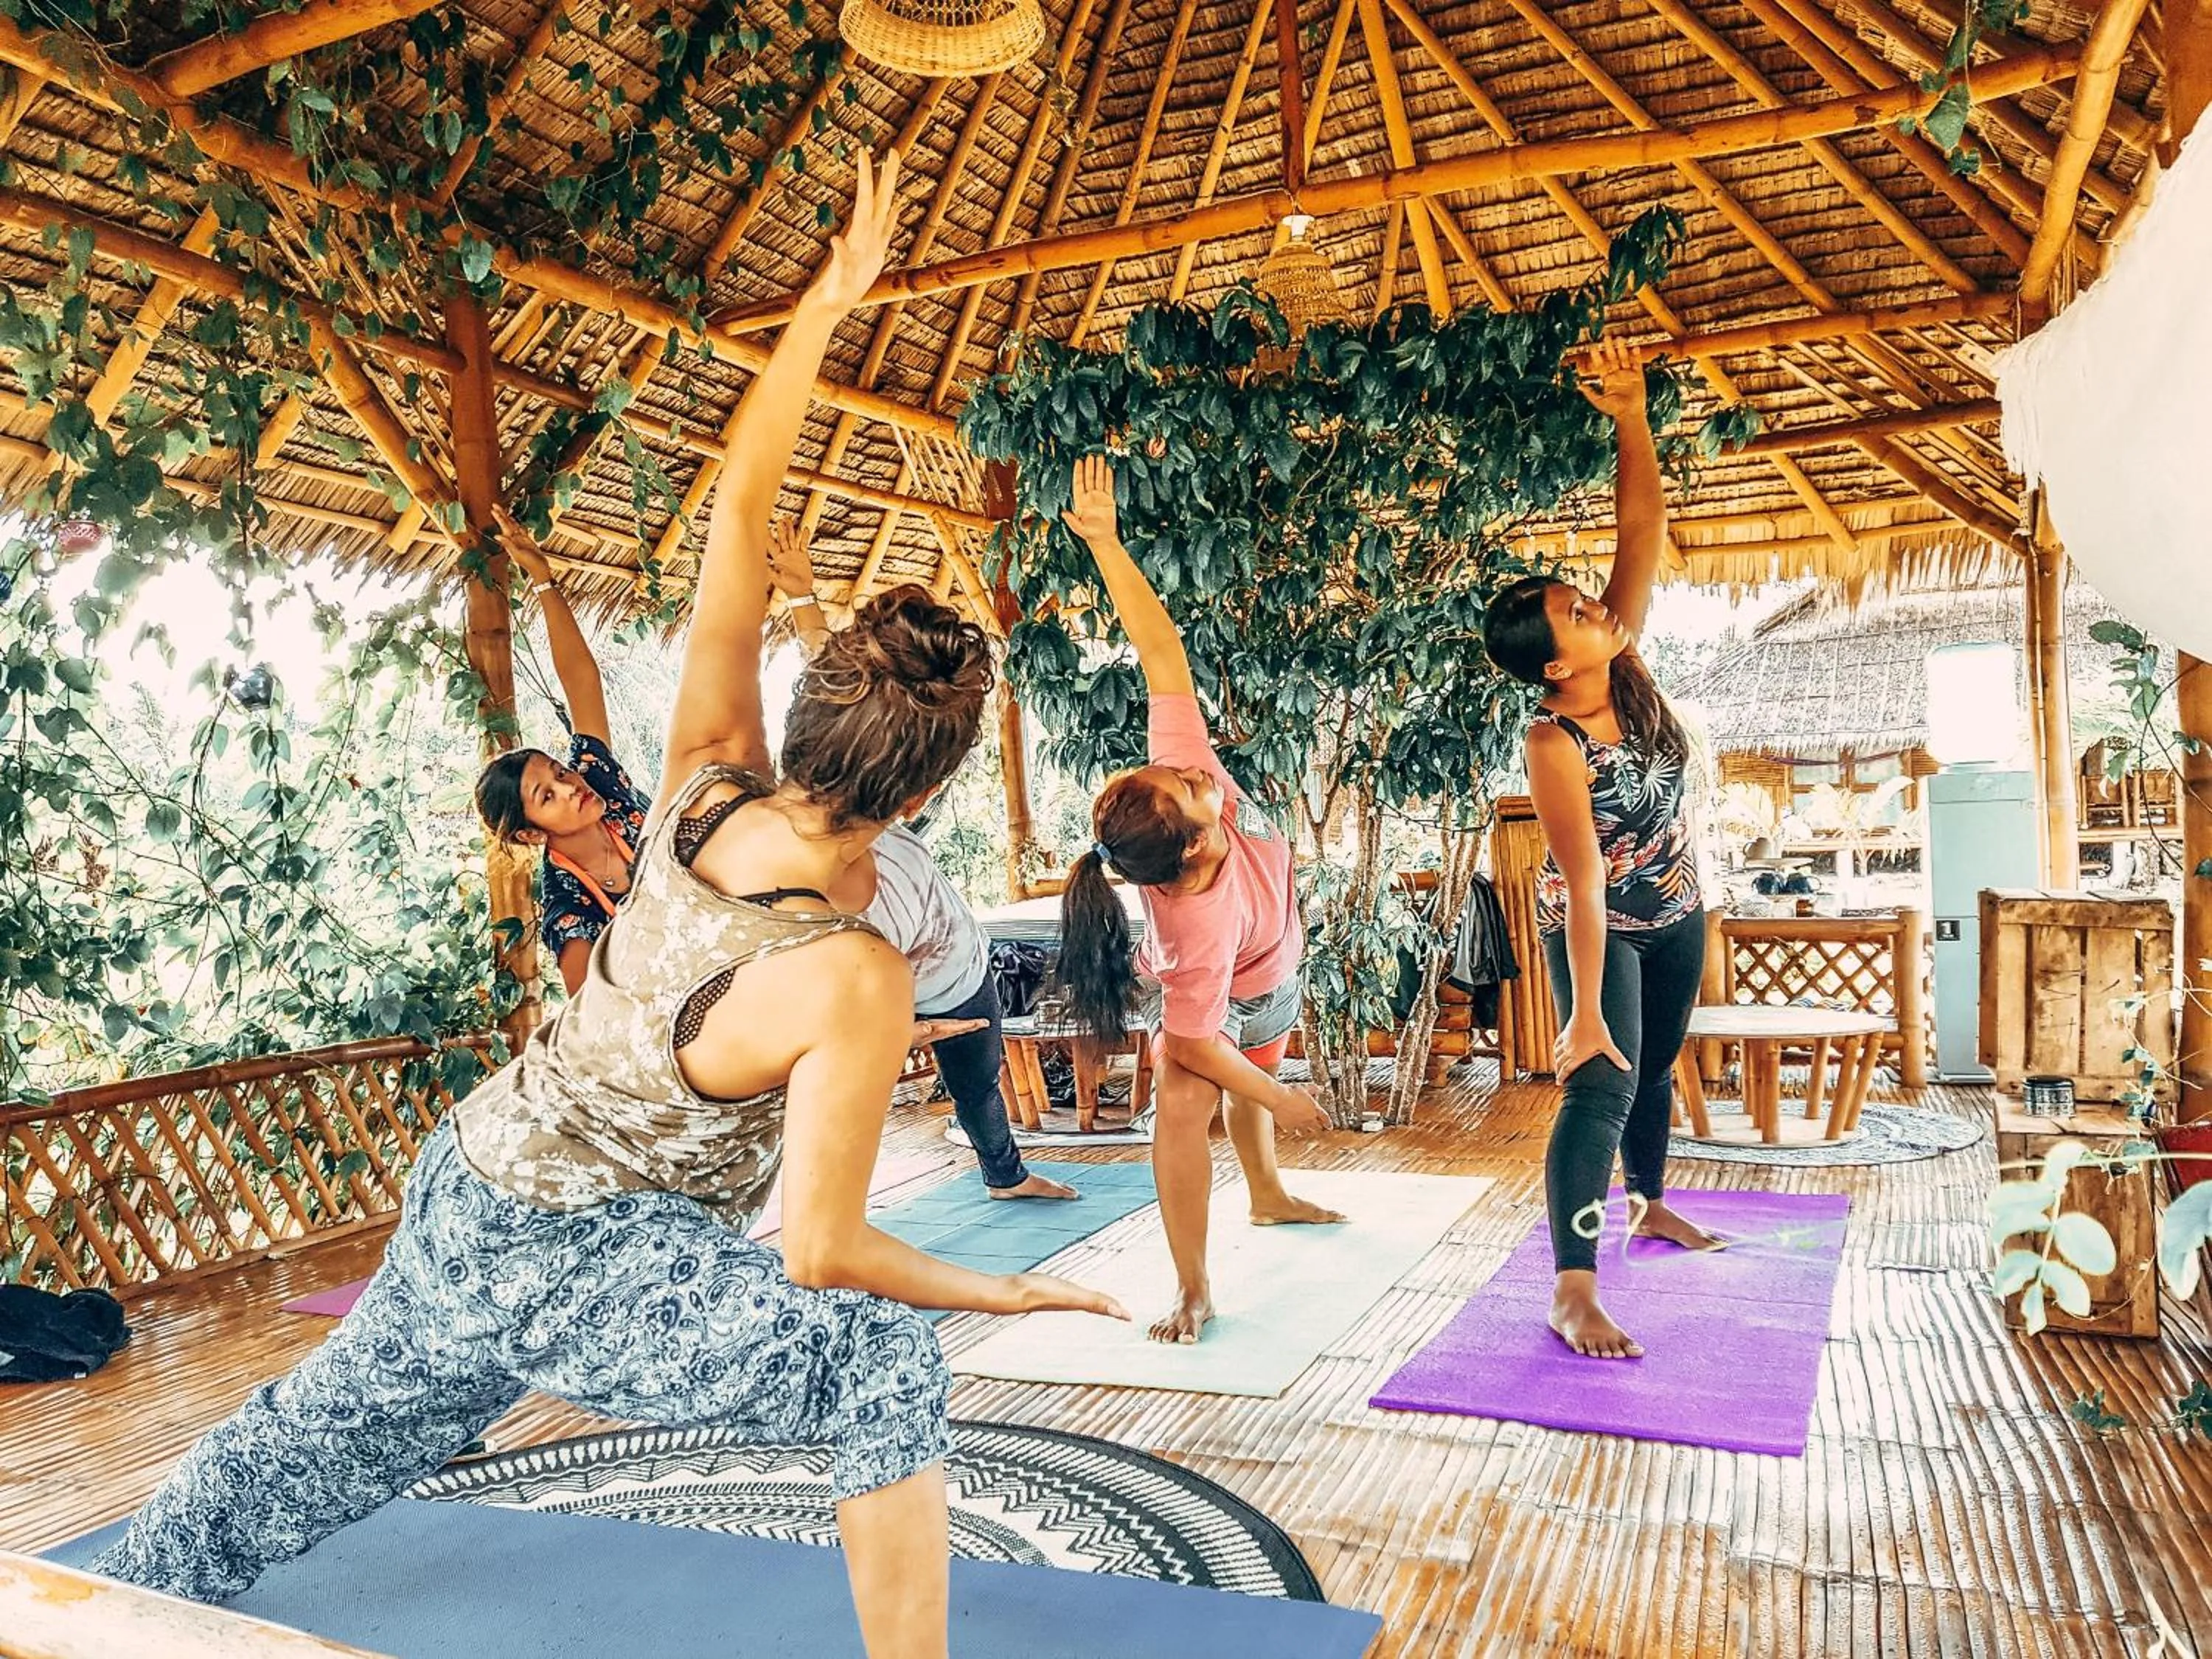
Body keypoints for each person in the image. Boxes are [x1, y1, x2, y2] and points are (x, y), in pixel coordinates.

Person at [86, 153, 1127, 1659]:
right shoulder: (853, 971)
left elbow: (736, 514)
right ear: (918, 798)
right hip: (584, 1248)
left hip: (477, 1171)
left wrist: (826, 309)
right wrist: (1012, 1299)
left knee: (323, 1442)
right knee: (884, 1364)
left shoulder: (708, 771)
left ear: (811, 699)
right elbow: (829, 1255)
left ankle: (128, 1588)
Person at [1054, 453, 1340, 1348]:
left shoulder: (1186, 789)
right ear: (1191, 844)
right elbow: (1189, 1040)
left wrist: (1104, 542)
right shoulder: (1196, 925)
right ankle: (1190, 1287)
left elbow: (1161, 651)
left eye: (1177, 768)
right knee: (1187, 1106)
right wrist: (1284, 1096)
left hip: (1275, 972)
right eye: (1185, 783)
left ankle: (1268, 1197)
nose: (1193, 767)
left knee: (1252, 1083)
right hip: (1220, 994)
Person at [1479, 335, 1719, 1363]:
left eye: (1584, 598)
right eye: (1575, 614)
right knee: (1603, 1079)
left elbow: (1641, 526)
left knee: (1657, 1068)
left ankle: (1652, 1202)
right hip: (1598, 923)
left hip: (1676, 905)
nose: (1597, 607)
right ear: (1549, 666)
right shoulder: (1553, 737)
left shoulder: (1625, 666)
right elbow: (1576, 879)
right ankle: (1571, 1288)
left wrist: (1631, 412)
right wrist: (1579, 1010)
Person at [768, 521, 1077, 1202]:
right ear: (922, 796)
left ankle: (1006, 1177)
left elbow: (848, 701)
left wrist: (801, 598)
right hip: (916, 995)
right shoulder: (847, 921)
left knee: (979, 1091)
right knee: (887, 1106)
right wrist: (902, 1031)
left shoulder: (845, 769)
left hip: (963, 971)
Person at [470, 523, 652, 996]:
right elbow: (593, 1013)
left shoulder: (600, 781)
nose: (572, 787)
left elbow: (582, 681)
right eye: (547, 796)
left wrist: (544, 581)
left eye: (560, 772)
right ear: (531, 832)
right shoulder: (567, 906)